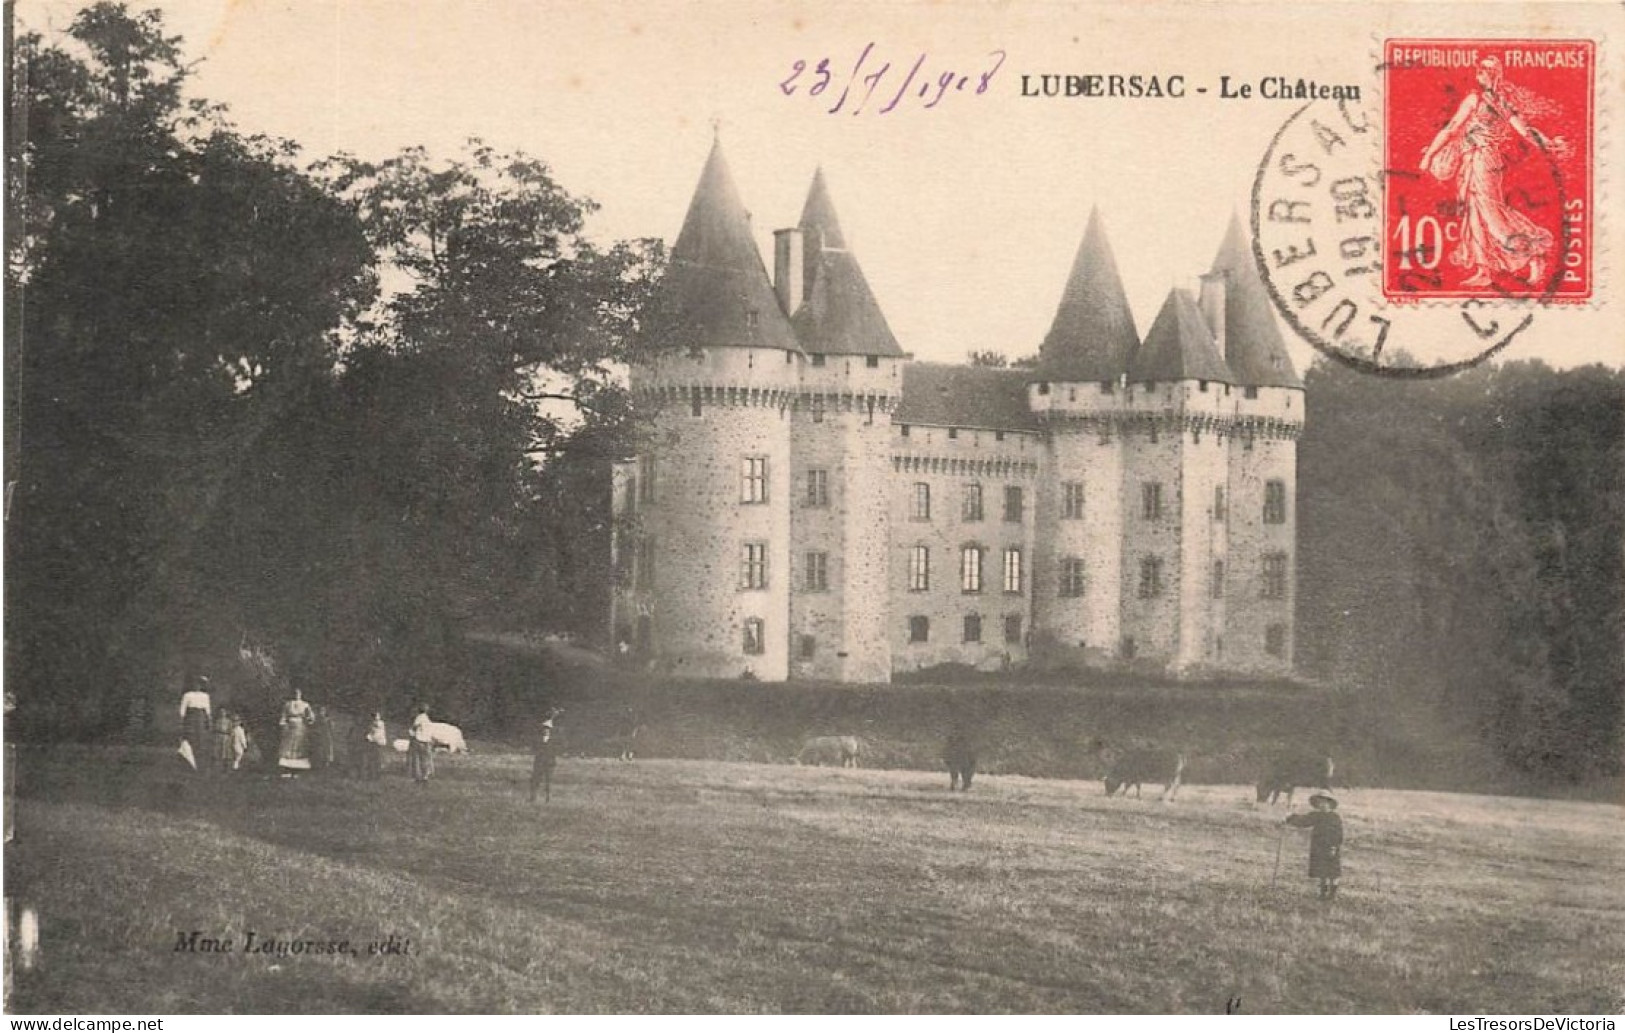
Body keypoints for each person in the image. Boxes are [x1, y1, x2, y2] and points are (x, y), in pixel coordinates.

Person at [1420, 56, 1563, 288]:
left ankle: (1533, 255)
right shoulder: (1500, 102)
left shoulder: (1478, 100)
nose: (1482, 73)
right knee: (1474, 213)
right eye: (1481, 70)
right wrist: (1548, 144)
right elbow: (1526, 132)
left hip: (1482, 160)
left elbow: (1452, 128)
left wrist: (1428, 156)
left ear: (1492, 75)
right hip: (1477, 160)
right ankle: (1484, 269)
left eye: (1486, 70)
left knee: (1490, 214)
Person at [1284, 792, 1344, 900]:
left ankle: (1332, 895)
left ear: (1330, 804)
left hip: (1331, 847)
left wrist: (1334, 847)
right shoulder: (1316, 816)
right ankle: (1322, 893)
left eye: (1324, 803)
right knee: (1322, 871)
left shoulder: (1335, 818)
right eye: (1319, 803)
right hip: (1318, 847)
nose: (1322, 805)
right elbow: (1303, 821)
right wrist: (1290, 818)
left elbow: (1338, 834)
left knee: (1333, 872)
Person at [177, 676, 212, 773]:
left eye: (200, 684)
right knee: (190, 739)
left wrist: (209, 721)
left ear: (201, 685)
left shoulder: (205, 696)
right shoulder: (188, 695)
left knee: (201, 740)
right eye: (196, 683)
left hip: (201, 717)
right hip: (191, 718)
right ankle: (189, 762)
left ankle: (200, 763)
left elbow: (208, 711)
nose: (197, 686)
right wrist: (181, 722)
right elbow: (182, 710)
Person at [277, 688, 315, 777]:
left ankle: (297, 770)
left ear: (301, 694)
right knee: (288, 747)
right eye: (294, 693)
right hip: (289, 728)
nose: (296, 694)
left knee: (299, 746)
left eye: (298, 693)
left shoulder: (305, 705)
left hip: (300, 728)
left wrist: (309, 720)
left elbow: (310, 716)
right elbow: (284, 715)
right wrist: (283, 723)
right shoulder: (288, 704)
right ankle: (287, 770)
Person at [530, 706, 561, 803]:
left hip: (549, 761)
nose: (545, 730)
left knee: (548, 780)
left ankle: (547, 798)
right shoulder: (539, 739)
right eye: (544, 729)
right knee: (537, 779)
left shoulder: (553, 739)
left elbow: (556, 748)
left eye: (547, 729)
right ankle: (534, 797)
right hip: (541, 760)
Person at [407, 704, 435, 784]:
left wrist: (412, 733)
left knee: (417, 759)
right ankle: (425, 775)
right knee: (425, 759)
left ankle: (418, 776)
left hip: (420, 740)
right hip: (426, 741)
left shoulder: (419, 718)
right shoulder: (427, 719)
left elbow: (414, 727)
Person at [362, 712, 388, 780]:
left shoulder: (380, 723)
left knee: (376, 759)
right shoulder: (373, 724)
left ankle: (376, 775)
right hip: (374, 742)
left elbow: (376, 726)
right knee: (372, 759)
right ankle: (372, 774)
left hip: (377, 742)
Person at [212, 707, 235, 773]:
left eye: (223, 712)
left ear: (225, 713)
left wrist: (229, 737)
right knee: (218, 752)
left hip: (226, 737)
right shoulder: (218, 721)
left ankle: (226, 768)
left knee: (226, 752)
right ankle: (218, 768)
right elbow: (215, 729)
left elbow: (231, 730)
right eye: (221, 712)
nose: (222, 713)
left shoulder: (228, 721)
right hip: (219, 737)